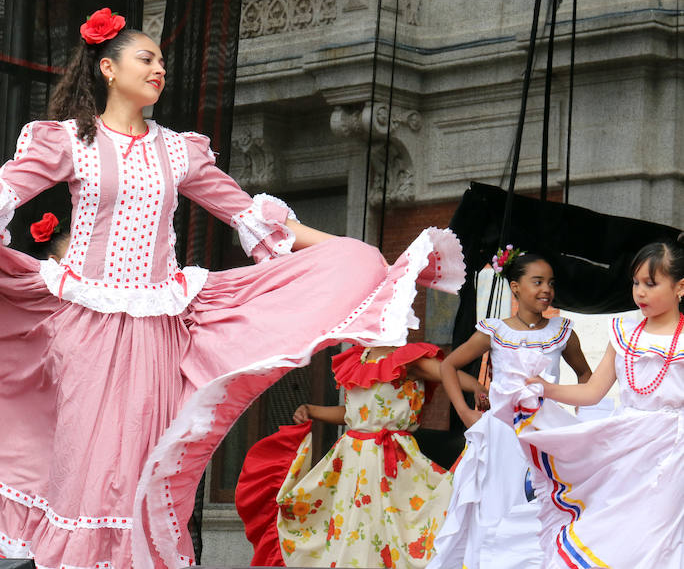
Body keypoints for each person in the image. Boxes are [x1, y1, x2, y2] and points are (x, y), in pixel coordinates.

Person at [0, 8, 467, 569]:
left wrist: (361, 256)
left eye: (161, 61)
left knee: (139, 472)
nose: (158, 68)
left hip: (158, 329)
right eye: (146, 58)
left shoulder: (181, 151)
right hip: (83, 325)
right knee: (86, 471)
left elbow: (254, 218)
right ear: (108, 68)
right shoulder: (66, 141)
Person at [236, 342, 486, 568]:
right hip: (352, 460)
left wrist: (476, 387)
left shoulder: (407, 359)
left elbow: (447, 371)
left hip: (392, 459)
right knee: (353, 527)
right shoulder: (358, 358)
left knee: (397, 526)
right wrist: (313, 410)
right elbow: (355, 414)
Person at [519, 237, 684, 568]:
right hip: (626, 448)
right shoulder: (623, 331)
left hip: (674, 456)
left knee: (658, 538)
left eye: (651, 284)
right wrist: (545, 389)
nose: (640, 292)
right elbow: (592, 391)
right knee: (612, 530)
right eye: (636, 283)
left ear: (680, 287)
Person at [429, 251, 591, 569]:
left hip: (546, 434)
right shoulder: (495, 331)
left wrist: (576, 418)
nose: (546, 289)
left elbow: (586, 375)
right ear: (515, 287)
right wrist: (463, 412)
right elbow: (448, 365)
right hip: (501, 435)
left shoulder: (562, 332)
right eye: (538, 281)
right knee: (497, 502)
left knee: (541, 505)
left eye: (551, 283)